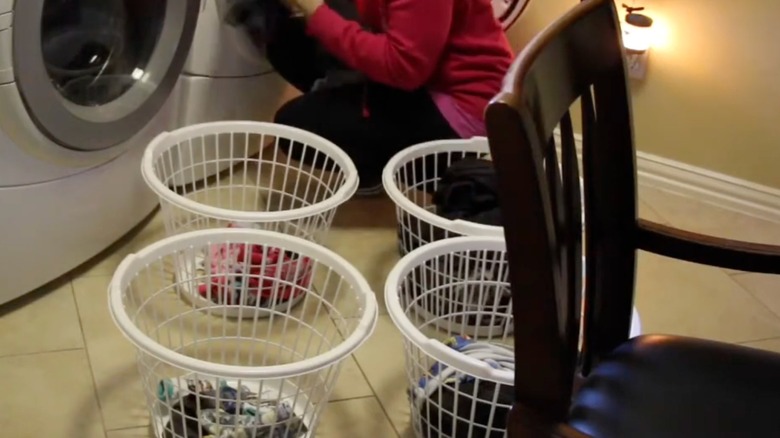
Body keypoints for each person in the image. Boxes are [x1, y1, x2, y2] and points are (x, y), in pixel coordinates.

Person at [267, 0, 513, 195]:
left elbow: (404, 68)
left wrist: (317, 13)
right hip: (432, 77)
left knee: (295, 128)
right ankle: (356, 124)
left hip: (466, 109)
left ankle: (376, 158)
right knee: (287, 40)